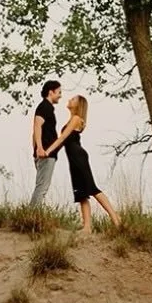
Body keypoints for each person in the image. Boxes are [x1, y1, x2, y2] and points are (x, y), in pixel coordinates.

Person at [43, 94, 121, 234]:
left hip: (79, 157)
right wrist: (52, 154)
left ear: (78, 105)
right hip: (73, 158)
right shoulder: (72, 119)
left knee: (92, 188)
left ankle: (116, 219)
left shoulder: (76, 119)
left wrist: (47, 151)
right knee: (81, 193)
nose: (69, 99)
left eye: (72, 99)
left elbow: (62, 138)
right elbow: (64, 142)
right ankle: (87, 227)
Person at [29, 80, 61, 208]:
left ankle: (33, 215)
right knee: (42, 187)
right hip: (45, 154)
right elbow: (37, 126)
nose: (60, 95)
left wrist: (35, 150)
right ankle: (32, 216)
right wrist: (40, 149)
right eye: (59, 92)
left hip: (44, 153)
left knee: (42, 186)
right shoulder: (44, 107)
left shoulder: (47, 108)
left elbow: (35, 132)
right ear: (51, 92)